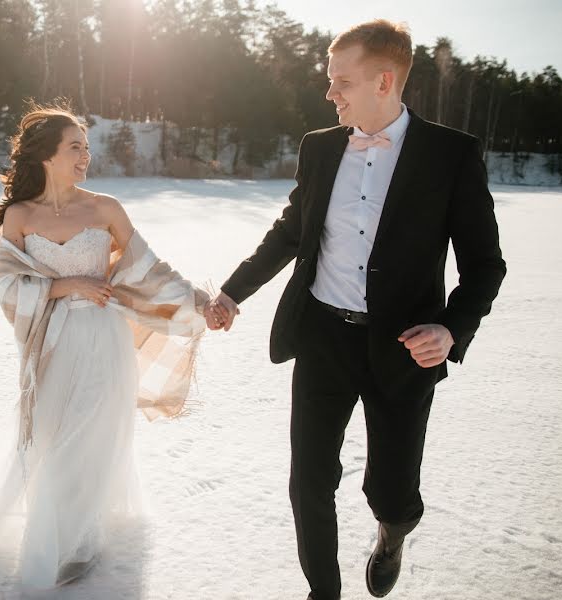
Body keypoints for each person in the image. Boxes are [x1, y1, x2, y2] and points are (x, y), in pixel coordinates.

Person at [206, 20, 506, 600]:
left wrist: (450, 328)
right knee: (308, 483)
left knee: (393, 493)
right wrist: (232, 292)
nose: (329, 93)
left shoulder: (452, 156)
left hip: (403, 348)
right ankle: (325, 592)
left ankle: (391, 536)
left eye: (340, 81)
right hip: (322, 337)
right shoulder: (319, 148)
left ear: (384, 81)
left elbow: (486, 266)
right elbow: (290, 232)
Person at [0, 102, 213, 594]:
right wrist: (66, 284)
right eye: (75, 147)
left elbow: (149, 270)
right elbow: (9, 287)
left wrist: (199, 300)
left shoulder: (105, 208)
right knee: (53, 435)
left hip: (104, 338)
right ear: (47, 155)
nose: (85, 157)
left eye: (87, 147)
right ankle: (54, 529)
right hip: (50, 345)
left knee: (92, 434)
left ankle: (77, 542)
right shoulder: (19, 216)